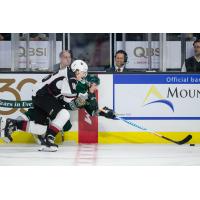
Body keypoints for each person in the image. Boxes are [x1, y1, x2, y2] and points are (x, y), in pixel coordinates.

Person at [0, 63, 115, 152]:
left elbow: (93, 111)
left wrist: (105, 113)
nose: (96, 88)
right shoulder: (77, 84)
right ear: (89, 83)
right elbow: (67, 99)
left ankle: (12, 124)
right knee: (64, 115)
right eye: (95, 85)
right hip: (49, 100)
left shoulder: (89, 95)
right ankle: (48, 140)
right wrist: (79, 99)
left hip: (50, 102)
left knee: (41, 129)